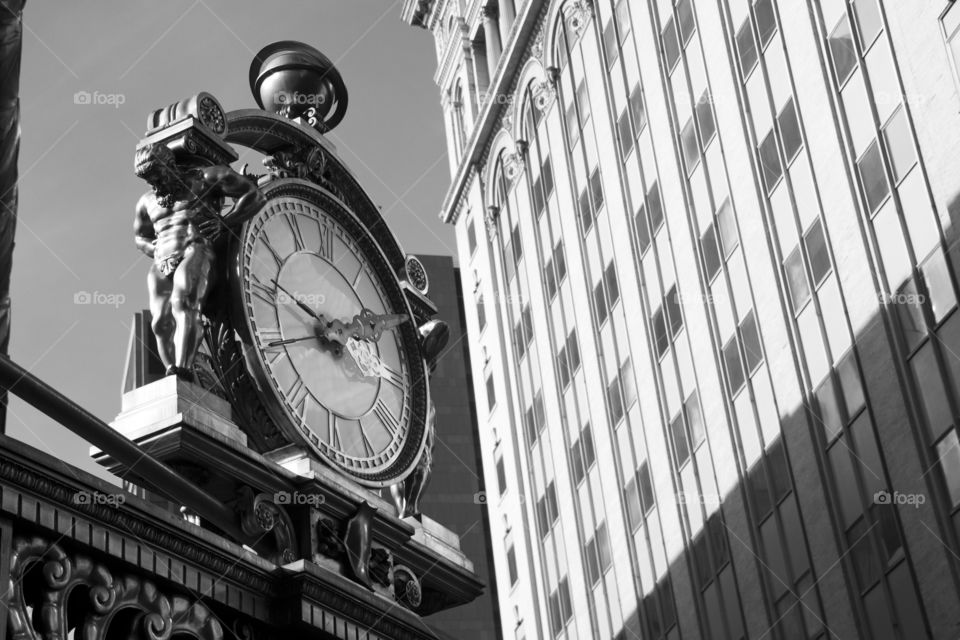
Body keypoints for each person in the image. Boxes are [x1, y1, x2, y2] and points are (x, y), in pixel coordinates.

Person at [133, 143, 265, 379]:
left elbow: (254, 196)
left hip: (196, 248)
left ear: (170, 165)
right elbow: (140, 236)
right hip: (162, 259)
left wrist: (225, 222)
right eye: (150, 180)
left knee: (183, 303)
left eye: (158, 176)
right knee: (160, 323)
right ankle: (173, 372)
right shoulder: (147, 201)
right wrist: (153, 248)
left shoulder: (206, 178)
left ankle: (182, 367)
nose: (156, 184)